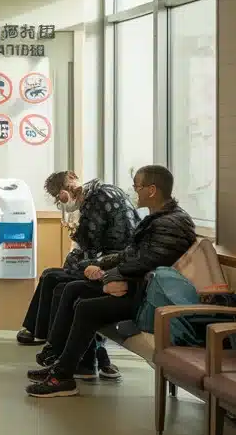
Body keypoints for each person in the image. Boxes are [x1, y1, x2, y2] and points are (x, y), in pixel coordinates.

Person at [26, 165, 197, 398]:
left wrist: (109, 275)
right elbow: (131, 255)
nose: (134, 191)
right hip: (139, 286)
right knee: (73, 288)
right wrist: (102, 265)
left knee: (86, 306)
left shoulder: (171, 223)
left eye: (138, 186)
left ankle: (63, 374)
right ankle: (59, 360)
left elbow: (149, 261)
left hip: (149, 298)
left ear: (152, 190)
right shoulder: (158, 219)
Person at [17, 172, 138, 381]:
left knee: (59, 283)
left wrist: (74, 264)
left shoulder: (94, 201)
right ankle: (52, 344)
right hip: (116, 261)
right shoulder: (106, 191)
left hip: (114, 266)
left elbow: (91, 247)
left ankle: (63, 352)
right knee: (52, 276)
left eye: (58, 198)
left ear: (64, 194)